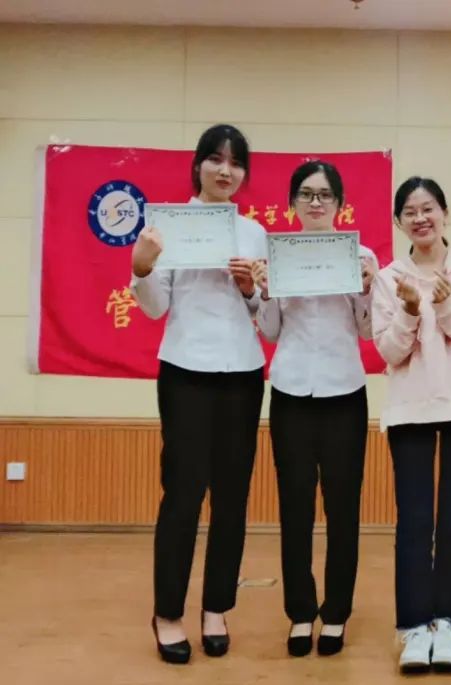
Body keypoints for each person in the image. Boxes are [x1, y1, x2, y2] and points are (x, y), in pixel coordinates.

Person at [131, 124, 267, 664]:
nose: (225, 170)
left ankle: (216, 608)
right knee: (183, 495)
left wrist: (250, 287)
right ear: (198, 167)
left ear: (243, 174)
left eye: (235, 162)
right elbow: (155, 307)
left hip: (242, 373)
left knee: (232, 498)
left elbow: (262, 313)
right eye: (215, 159)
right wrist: (142, 266)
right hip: (185, 370)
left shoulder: (254, 233)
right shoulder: (168, 224)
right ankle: (168, 613)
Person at [250, 160, 378, 658]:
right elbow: (270, 332)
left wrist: (366, 290)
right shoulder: (277, 254)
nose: (316, 202)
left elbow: (368, 331)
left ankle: (337, 612)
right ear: (292, 204)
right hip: (291, 392)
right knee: (295, 507)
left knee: (343, 508)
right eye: (306, 194)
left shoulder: (360, 255)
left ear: (340, 204)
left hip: (345, 391)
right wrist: (264, 293)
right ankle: (301, 612)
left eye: (325, 194)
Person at [370, 177, 451, 674]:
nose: (420, 218)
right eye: (410, 211)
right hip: (410, 408)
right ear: (399, 222)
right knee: (415, 523)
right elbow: (389, 351)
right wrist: (409, 310)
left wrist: (445, 305)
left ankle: (449, 624)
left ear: (445, 213)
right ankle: (414, 626)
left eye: (428, 208)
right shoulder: (389, 278)